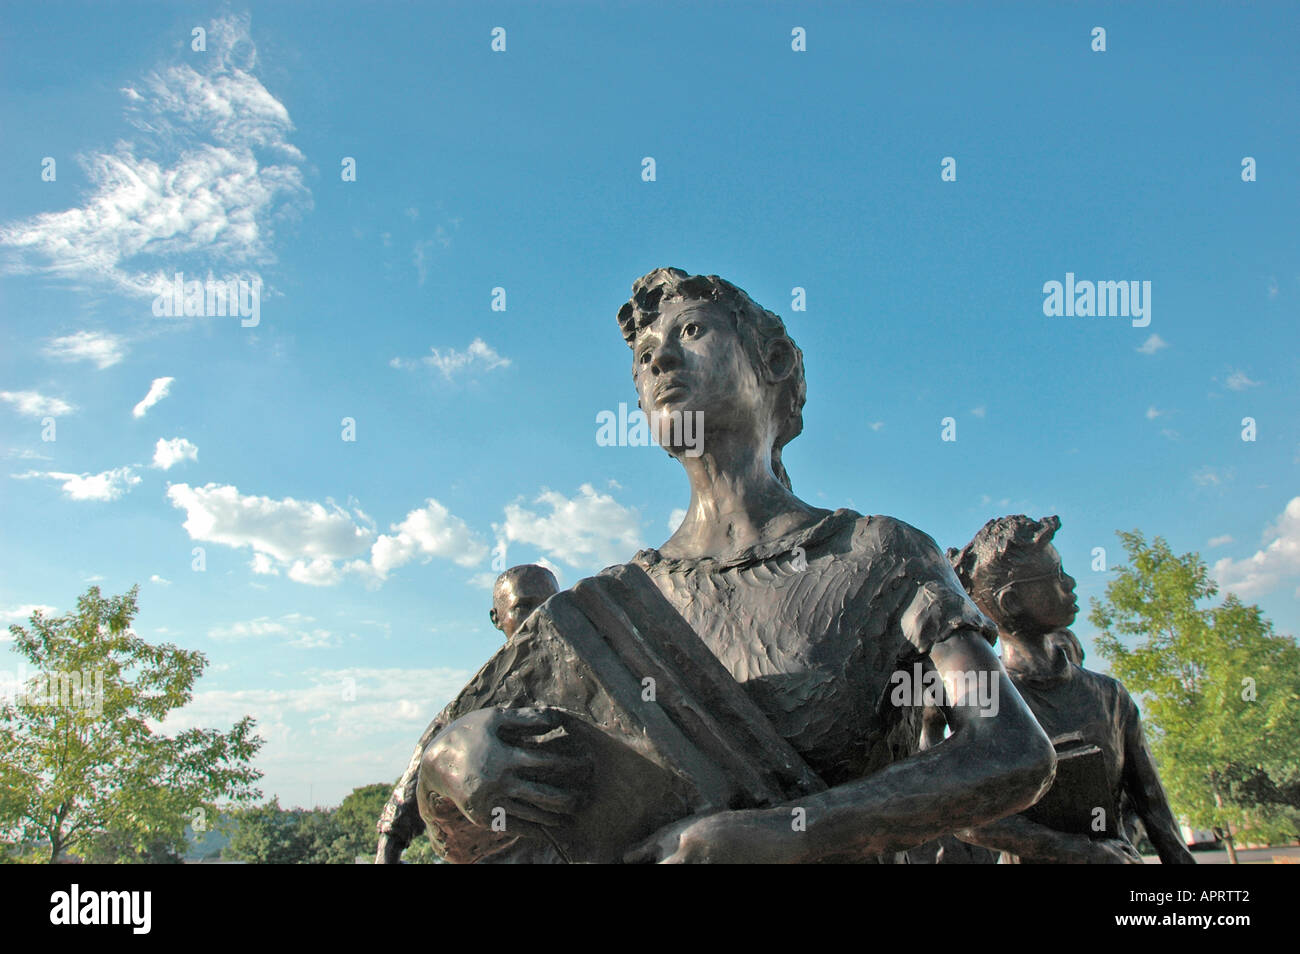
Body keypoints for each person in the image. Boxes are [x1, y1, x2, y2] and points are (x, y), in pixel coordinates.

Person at [411, 267, 1056, 864]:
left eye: (691, 331)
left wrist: (790, 834)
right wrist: (445, 776)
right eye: (642, 358)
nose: (660, 358)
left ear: (771, 362)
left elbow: (1011, 752)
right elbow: (479, 841)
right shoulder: (597, 614)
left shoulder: (880, 555)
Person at [946, 515, 1195, 864]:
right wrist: (1078, 852)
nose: (1072, 583)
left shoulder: (1109, 696)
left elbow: (1153, 805)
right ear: (1011, 601)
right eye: (1057, 576)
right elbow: (968, 817)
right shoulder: (986, 699)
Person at [374, 565, 559, 864]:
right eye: (523, 607)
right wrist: (388, 849)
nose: (538, 616)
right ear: (496, 618)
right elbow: (422, 769)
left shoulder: (587, 670)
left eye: (549, 603)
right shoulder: (479, 698)